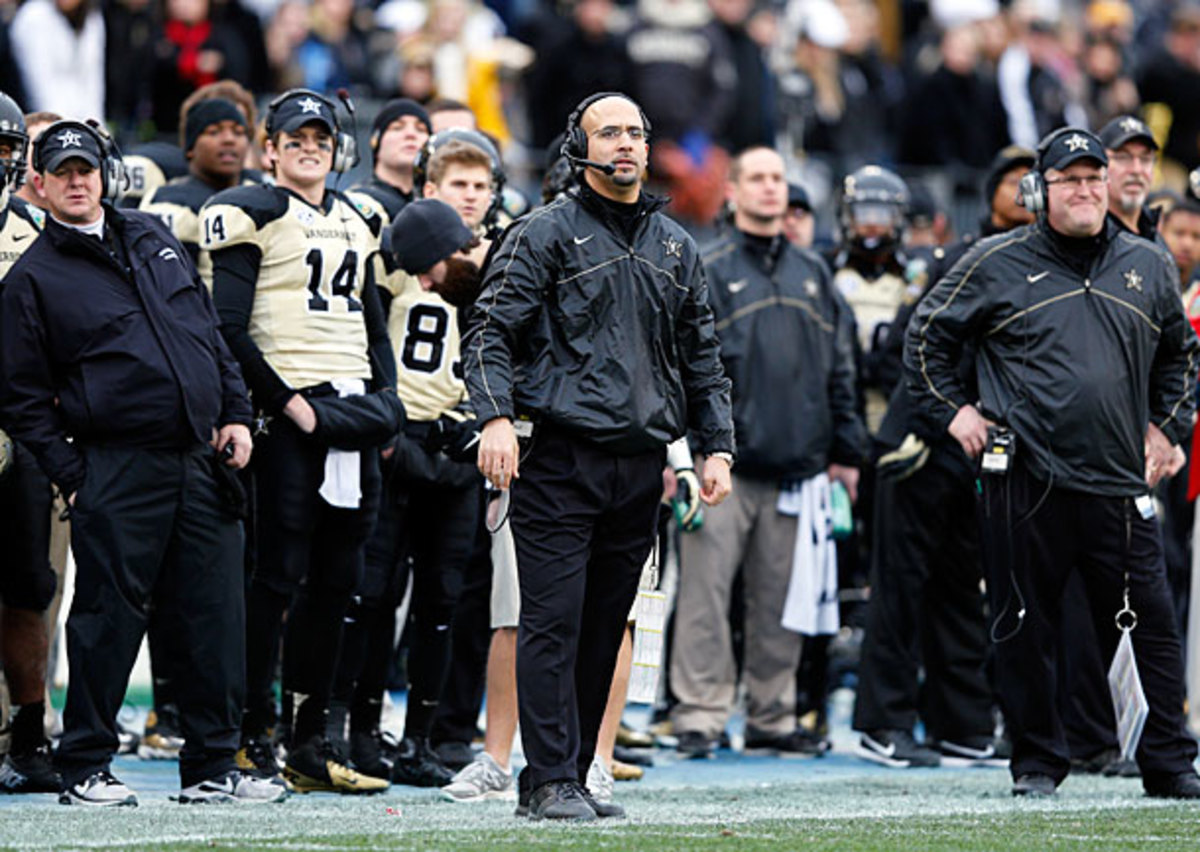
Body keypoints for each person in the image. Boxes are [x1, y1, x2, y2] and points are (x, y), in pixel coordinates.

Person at [905, 126, 1200, 799]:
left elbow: (1181, 355)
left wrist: (1167, 428)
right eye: (1070, 179)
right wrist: (955, 412)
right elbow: (926, 336)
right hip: (1026, 480)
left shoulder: (1150, 263)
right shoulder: (994, 260)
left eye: (1095, 178)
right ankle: (1038, 760)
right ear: (1040, 191)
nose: (1087, 190)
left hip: (1119, 479)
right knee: (1021, 625)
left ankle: (1169, 761)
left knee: (1151, 626)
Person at [462, 91, 734, 821]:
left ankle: (571, 774)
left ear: (649, 149)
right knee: (553, 620)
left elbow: (703, 356)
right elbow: (488, 331)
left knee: (607, 623)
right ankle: (549, 777)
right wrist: (492, 418)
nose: (624, 145)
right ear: (577, 149)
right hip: (558, 456)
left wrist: (716, 448)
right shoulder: (542, 232)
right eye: (608, 132)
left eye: (636, 134)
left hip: (641, 462)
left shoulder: (677, 246)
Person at [0, 119, 286, 806]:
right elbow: (20, 396)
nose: (76, 181)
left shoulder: (155, 237)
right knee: (106, 618)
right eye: (61, 171)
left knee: (215, 613)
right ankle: (85, 766)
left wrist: (237, 415)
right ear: (37, 183)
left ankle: (215, 763)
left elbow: (210, 336)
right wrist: (75, 473)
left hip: (200, 456)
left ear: (106, 174)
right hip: (115, 465)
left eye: (85, 168)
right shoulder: (31, 278)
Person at [203, 89, 400, 795]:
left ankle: (313, 738)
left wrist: (388, 402)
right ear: (272, 149)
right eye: (296, 137)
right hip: (292, 416)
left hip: (353, 411)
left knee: (342, 582)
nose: (310, 146)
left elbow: (373, 319)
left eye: (320, 137)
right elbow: (227, 327)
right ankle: (256, 732)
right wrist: (285, 404)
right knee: (277, 577)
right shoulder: (251, 211)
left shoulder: (360, 216)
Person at [669, 146, 865, 761]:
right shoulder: (707, 264)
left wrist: (845, 452)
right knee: (704, 598)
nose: (770, 189)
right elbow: (684, 367)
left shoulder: (814, 272)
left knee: (781, 604)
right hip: (720, 466)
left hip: (798, 467)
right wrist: (688, 452)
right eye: (757, 178)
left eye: (778, 179)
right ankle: (699, 714)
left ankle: (771, 714)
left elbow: (841, 370)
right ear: (732, 192)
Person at [852, 146, 1038, 769]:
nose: (1025, 193)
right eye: (1013, 182)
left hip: (980, 449)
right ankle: (884, 723)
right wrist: (947, 410)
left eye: (1032, 182)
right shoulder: (966, 257)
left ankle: (960, 723)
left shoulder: (1042, 266)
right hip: (923, 440)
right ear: (989, 196)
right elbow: (911, 341)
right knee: (900, 586)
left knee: (961, 586)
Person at [0, 92, 56, 795]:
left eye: (3, 149)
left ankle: (32, 733)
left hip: (23, 430)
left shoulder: (39, 233)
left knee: (28, 588)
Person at [350, 98, 432, 221]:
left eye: (420, 129)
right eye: (397, 127)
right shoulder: (356, 202)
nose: (411, 134)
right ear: (376, 141)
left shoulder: (437, 202)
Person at [1100, 115, 1161, 240]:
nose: (1136, 170)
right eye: (1123, 157)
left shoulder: (1157, 232)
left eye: (1145, 159)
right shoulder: (1089, 240)